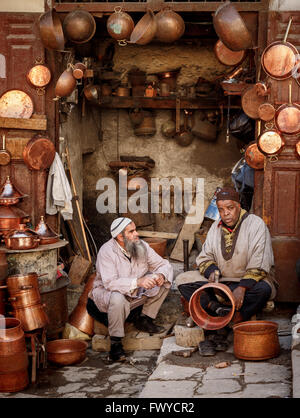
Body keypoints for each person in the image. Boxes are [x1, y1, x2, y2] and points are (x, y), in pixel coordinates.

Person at [176, 187, 278, 356]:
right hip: (222, 282)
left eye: (230, 208)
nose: (225, 214)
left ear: (239, 206)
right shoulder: (215, 227)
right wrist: (212, 273)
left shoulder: (255, 224)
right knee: (183, 281)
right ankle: (216, 308)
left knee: (264, 290)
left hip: (250, 281)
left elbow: (260, 261)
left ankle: (229, 323)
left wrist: (242, 288)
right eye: (221, 209)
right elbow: (205, 257)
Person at [87, 217, 173, 362]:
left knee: (164, 281)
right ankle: (116, 344)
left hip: (134, 297)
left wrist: (160, 275)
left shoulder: (142, 246)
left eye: (135, 230)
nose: (136, 234)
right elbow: (110, 283)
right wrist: (138, 281)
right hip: (108, 299)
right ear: (120, 237)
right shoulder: (106, 252)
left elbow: (164, 264)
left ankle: (144, 319)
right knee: (117, 298)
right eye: (131, 232)